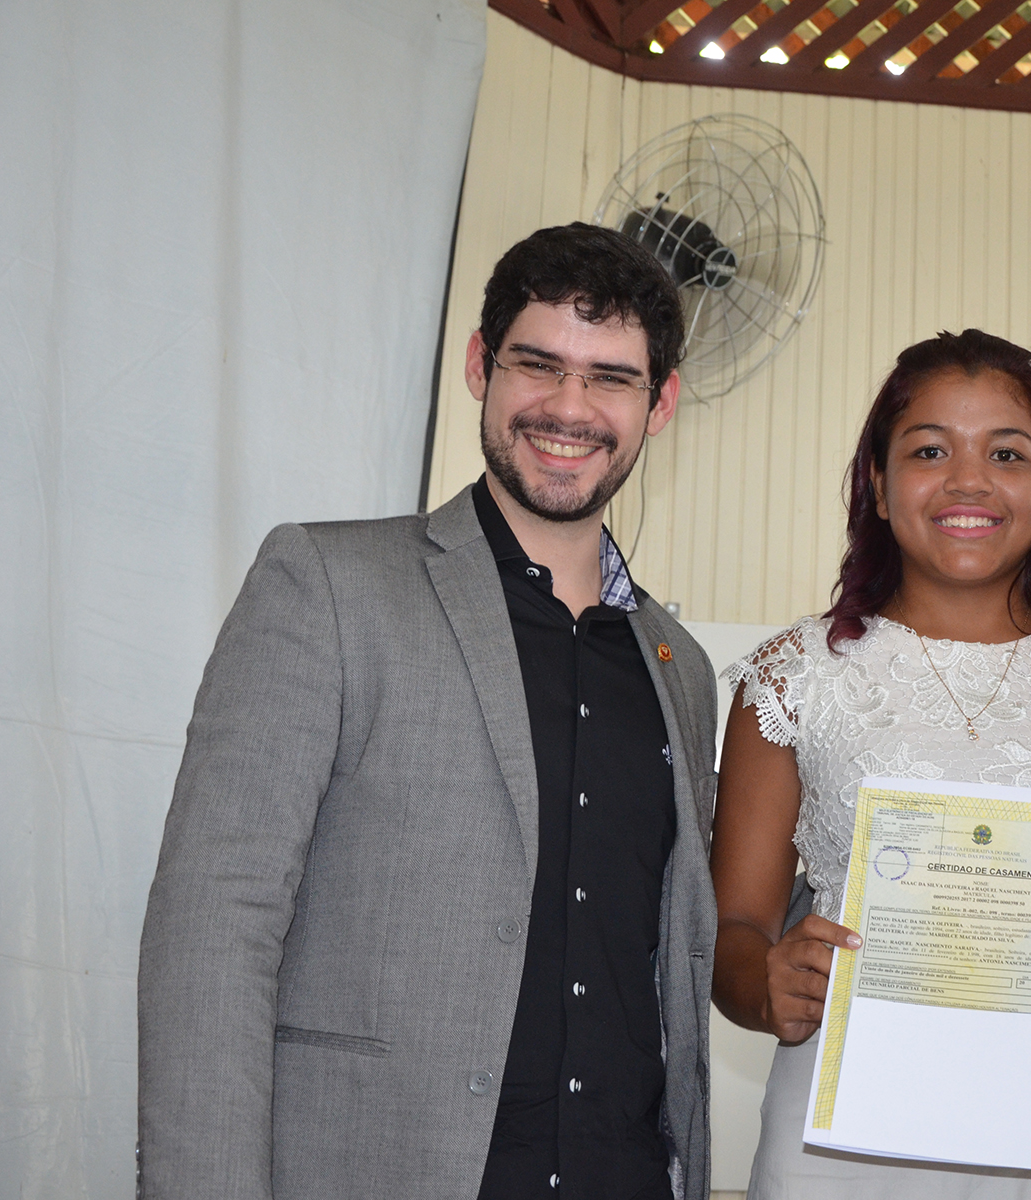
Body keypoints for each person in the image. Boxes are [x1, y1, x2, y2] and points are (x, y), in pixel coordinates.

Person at [138, 222, 720, 1200]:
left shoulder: (683, 670)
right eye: (538, 364)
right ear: (480, 365)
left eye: (610, 379)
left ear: (658, 404)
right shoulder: (327, 585)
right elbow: (213, 930)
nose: (569, 408)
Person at [710, 329, 1031, 1199]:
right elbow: (730, 930)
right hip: (843, 1145)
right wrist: (766, 983)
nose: (969, 481)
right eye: (930, 450)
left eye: (1006, 453)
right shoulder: (794, 677)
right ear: (878, 483)